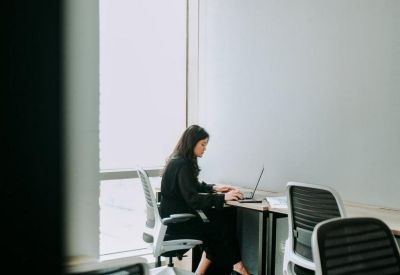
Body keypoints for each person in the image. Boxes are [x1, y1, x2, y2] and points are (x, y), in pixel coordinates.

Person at [160, 125, 250, 275]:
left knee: (219, 223)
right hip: (179, 224)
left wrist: (214, 188)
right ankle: (237, 266)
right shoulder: (183, 164)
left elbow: (192, 186)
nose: (204, 148)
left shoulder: (177, 161)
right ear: (192, 143)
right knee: (222, 225)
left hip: (172, 219)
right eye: (202, 144)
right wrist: (223, 198)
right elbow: (193, 199)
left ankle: (227, 267)